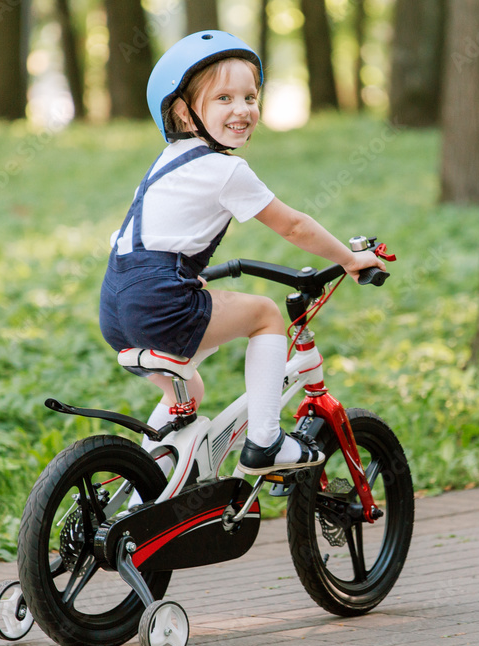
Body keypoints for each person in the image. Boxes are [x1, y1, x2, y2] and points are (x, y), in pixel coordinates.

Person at [99, 31, 385, 476]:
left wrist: (181, 278)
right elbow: (292, 225)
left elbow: (157, 236)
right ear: (184, 112)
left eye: (250, 96)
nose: (242, 109)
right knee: (267, 314)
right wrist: (350, 260)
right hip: (158, 302)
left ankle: (144, 489)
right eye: (224, 98)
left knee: (186, 391)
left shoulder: (170, 158)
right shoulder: (226, 169)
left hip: (117, 303)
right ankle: (266, 442)